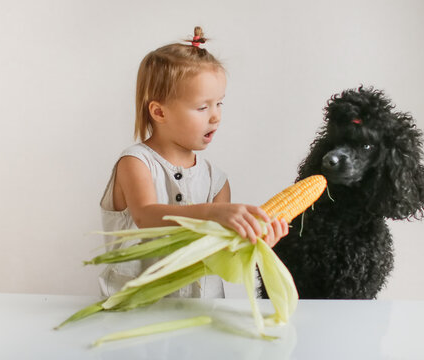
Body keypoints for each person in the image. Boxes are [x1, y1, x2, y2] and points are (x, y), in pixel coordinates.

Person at [98, 26, 288, 298]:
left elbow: (225, 259)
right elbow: (147, 216)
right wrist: (211, 214)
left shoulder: (216, 180)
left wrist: (256, 245)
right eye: (203, 107)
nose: (216, 117)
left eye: (220, 104)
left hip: (201, 312)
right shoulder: (136, 163)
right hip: (136, 311)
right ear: (159, 111)